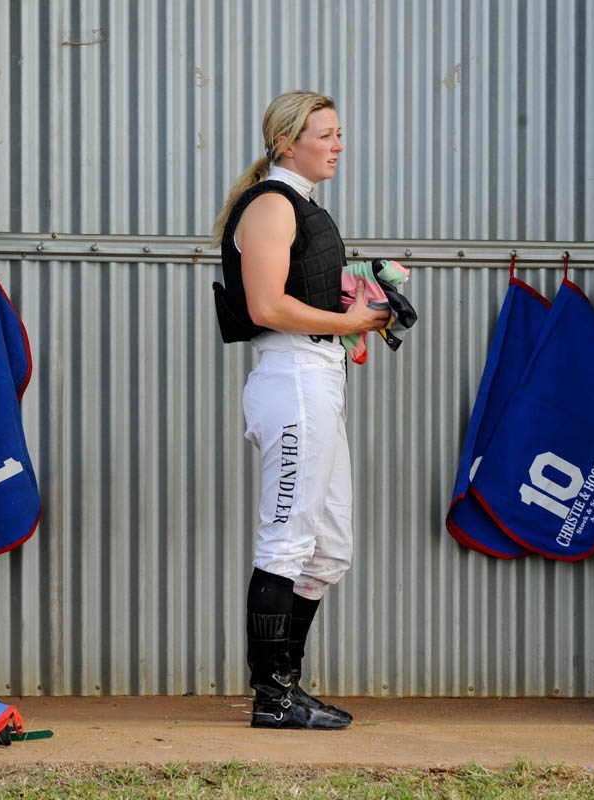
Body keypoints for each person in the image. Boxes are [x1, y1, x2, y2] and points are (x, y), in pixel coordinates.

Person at [210, 91, 389, 730]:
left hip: (319, 377)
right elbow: (264, 307)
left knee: (329, 548)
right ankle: (272, 698)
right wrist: (348, 318)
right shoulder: (270, 205)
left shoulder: (306, 209)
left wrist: (352, 305)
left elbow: (295, 292)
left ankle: (289, 684)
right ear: (288, 143)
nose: (338, 144)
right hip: (290, 381)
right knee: (286, 541)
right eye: (326, 134)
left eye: (340, 133)